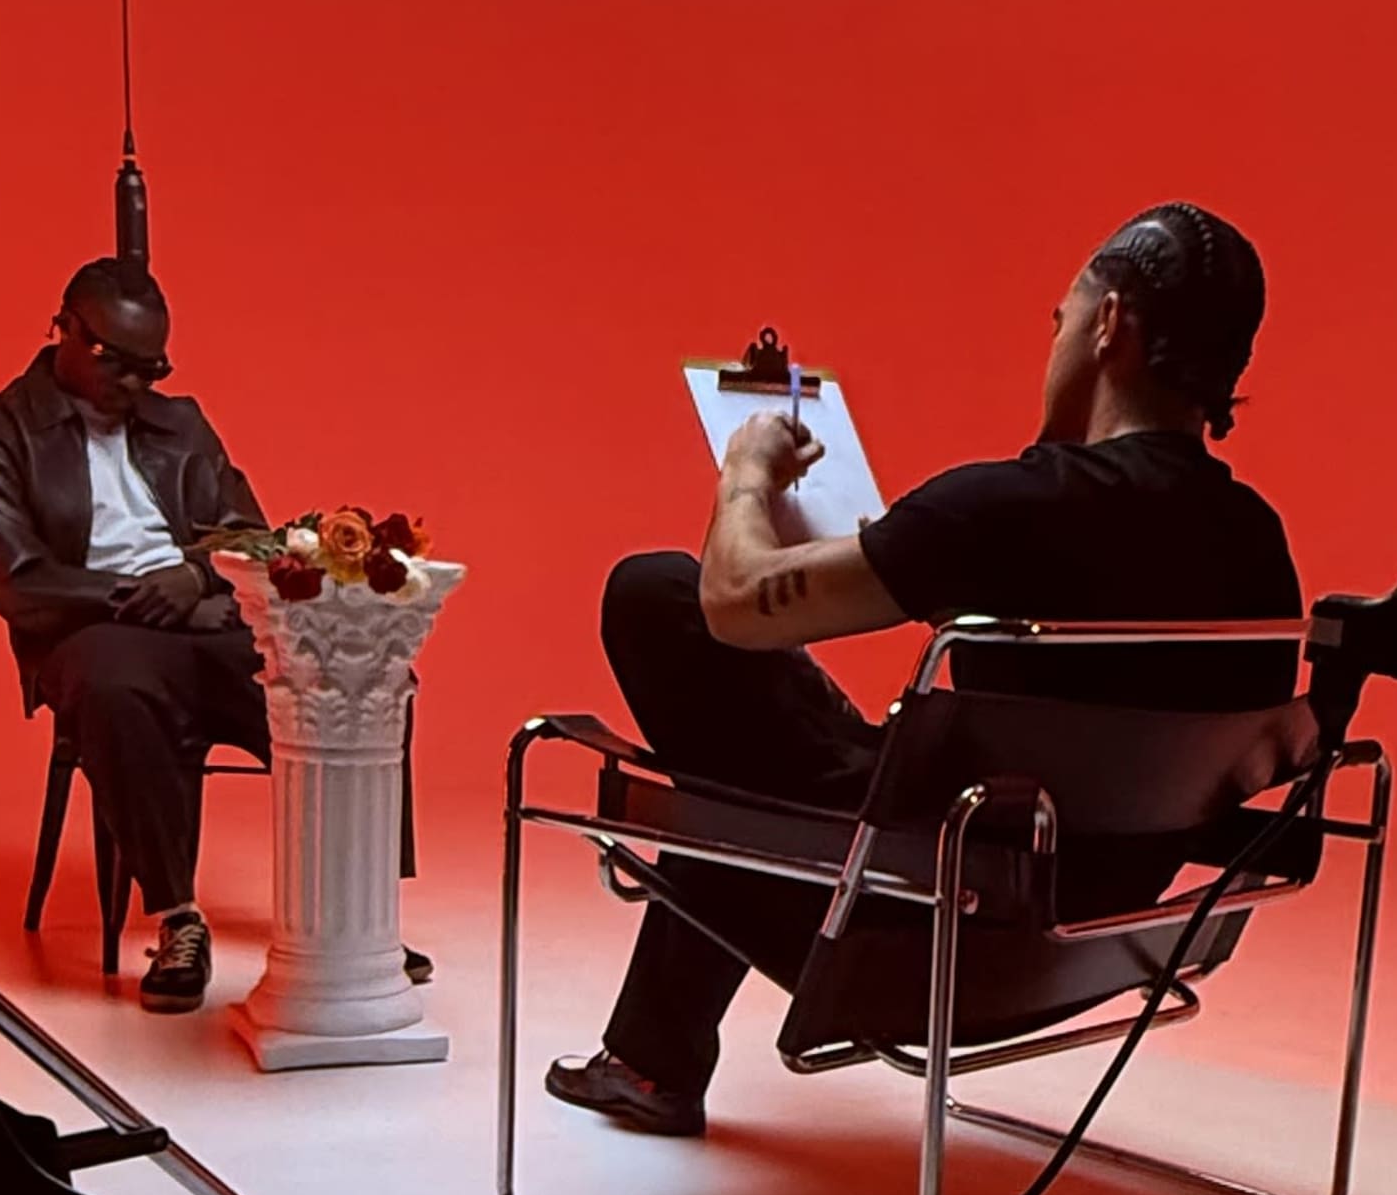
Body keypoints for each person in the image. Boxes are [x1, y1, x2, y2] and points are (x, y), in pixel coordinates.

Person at [545, 203, 1304, 1137]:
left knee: (658, 595)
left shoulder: (1014, 506)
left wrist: (747, 474)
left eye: (1062, 318)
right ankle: (649, 1059)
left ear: (1111, 326)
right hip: (1108, 933)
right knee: (789, 761)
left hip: (924, 928)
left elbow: (733, 601)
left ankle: (653, 1061)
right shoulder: (1258, 544)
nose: (1057, 340)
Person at [0, 255, 264, 1012]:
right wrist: (148, 600)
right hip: (86, 625)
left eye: (152, 368)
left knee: (344, 677)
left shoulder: (180, 422)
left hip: (202, 610)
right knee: (115, 687)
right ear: (64, 328)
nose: (137, 385)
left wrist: (195, 578)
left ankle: (353, 917)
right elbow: (18, 580)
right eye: (118, 364)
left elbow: (253, 536)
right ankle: (177, 919)